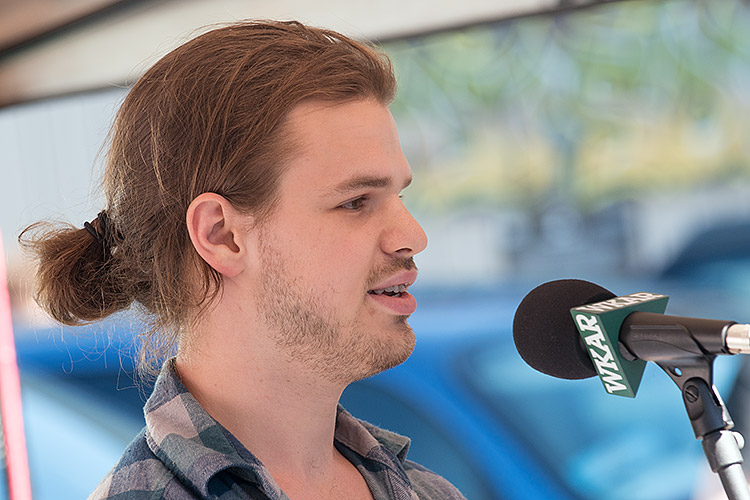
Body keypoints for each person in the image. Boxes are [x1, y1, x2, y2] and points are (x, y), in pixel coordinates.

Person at [20, 20, 466, 500]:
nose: (412, 236)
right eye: (356, 201)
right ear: (222, 236)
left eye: (399, 196)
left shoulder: (429, 491)